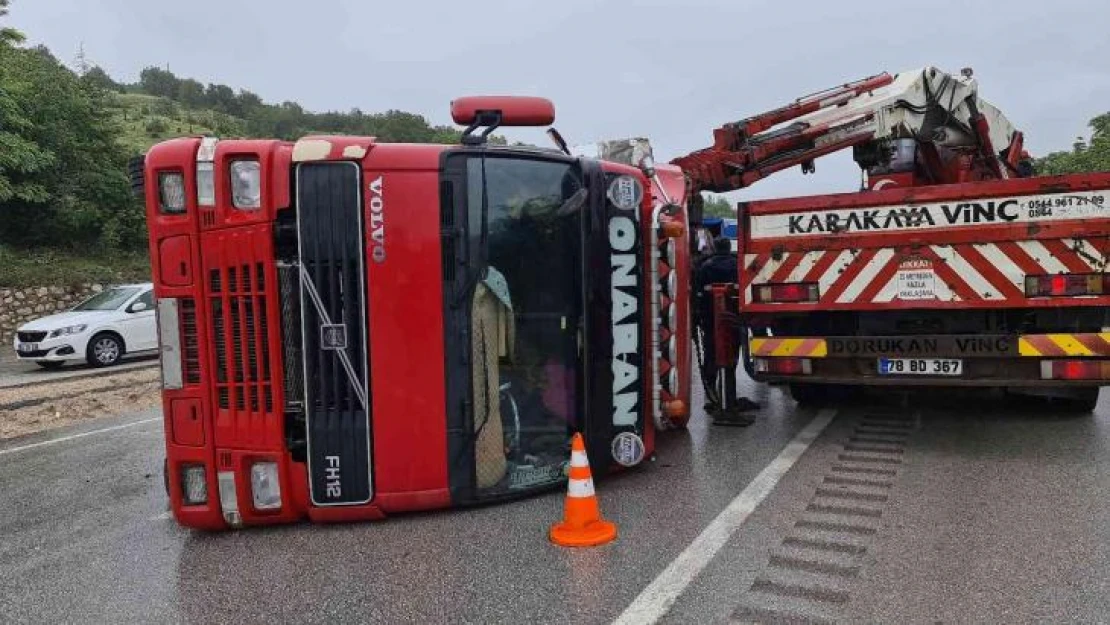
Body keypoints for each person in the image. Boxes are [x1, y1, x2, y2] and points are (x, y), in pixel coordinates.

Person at [694, 236, 759, 426]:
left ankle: (714, 395)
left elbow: (697, 293)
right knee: (731, 356)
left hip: (710, 320)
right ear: (730, 247)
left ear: (714, 247)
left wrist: (698, 316)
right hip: (733, 319)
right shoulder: (736, 265)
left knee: (712, 356)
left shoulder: (705, 266)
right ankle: (725, 399)